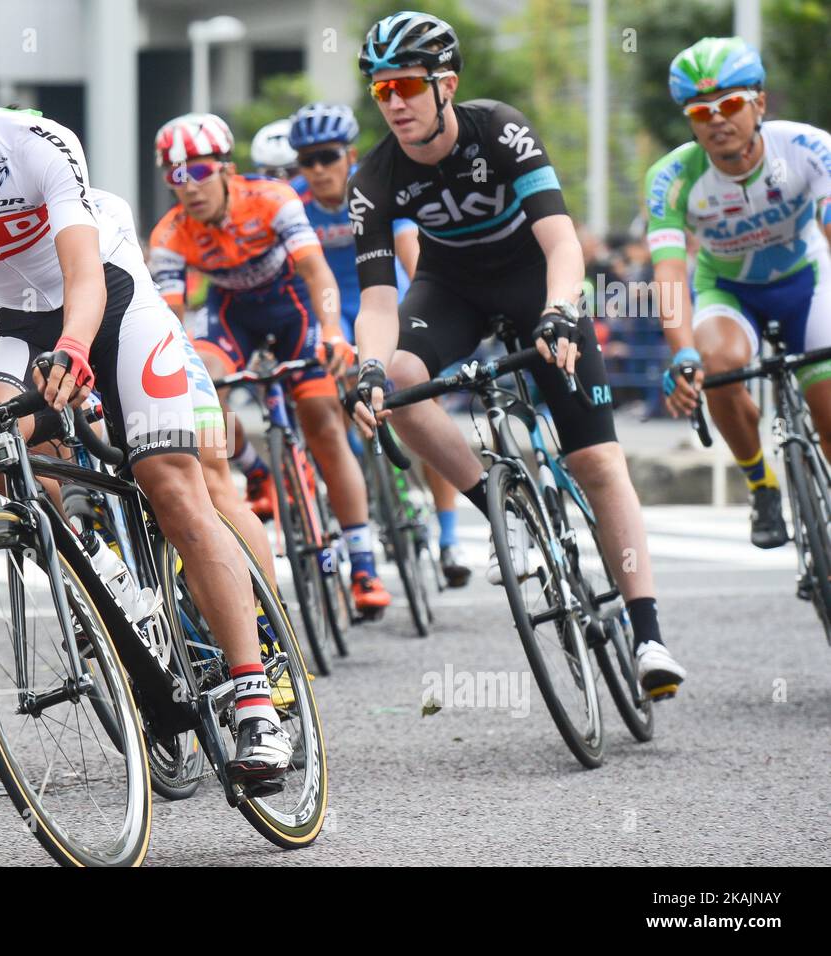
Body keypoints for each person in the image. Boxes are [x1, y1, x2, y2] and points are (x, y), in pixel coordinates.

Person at [0, 4, 293, 782]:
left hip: (109, 304)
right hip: (16, 325)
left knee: (170, 482)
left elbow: (82, 272)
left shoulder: (36, 144)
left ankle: (256, 701)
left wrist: (76, 349)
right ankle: (104, 578)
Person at [347, 11, 685, 696]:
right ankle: (504, 515)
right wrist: (370, 369)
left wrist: (562, 311)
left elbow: (563, 242)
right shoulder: (374, 178)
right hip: (451, 289)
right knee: (406, 382)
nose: (396, 104)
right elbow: (380, 302)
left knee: (593, 459)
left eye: (408, 86)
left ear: (448, 84)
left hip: (538, 283)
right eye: (382, 91)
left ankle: (648, 633)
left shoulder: (498, 127)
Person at [0, 179, 278, 582]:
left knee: (211, 478)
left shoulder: (94, 207)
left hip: (140, 340)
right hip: (55, 365)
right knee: (35, 461)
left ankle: (267, 632)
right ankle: (99, 589)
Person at [149, 111, 392, 615]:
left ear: (225, 169)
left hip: (292, 307)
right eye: (175, 177)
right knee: (203, 388)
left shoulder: (272, 199)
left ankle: (363, 561)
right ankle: (250, 465)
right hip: (231, 313)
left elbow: (315, 270)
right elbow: (167, 321)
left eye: (197, 171)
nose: (188, 187)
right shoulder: (170, 234)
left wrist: (331, 331)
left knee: (322, 420)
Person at [650, 36, 831, 566]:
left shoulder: (806, 147)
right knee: (718, 365)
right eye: (700, 111)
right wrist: (681, 352)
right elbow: (668, 272)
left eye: (730, 104)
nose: (717, 120)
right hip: (729, 292)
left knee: (825, 397)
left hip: (808, 282)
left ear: (759, 103)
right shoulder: (673, 177)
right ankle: (761, 484)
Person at [287, 101, 470, 586]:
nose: (319, 169)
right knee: (325, 401)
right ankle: (363, 474)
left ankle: (450, 537)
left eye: (327, 156)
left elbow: (412, 256)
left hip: (388, 302)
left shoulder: (375, 184)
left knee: (421, 404)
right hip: (332, 312)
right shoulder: (295, 202)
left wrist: (430, 316)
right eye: (307, 161)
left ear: (349, 154)